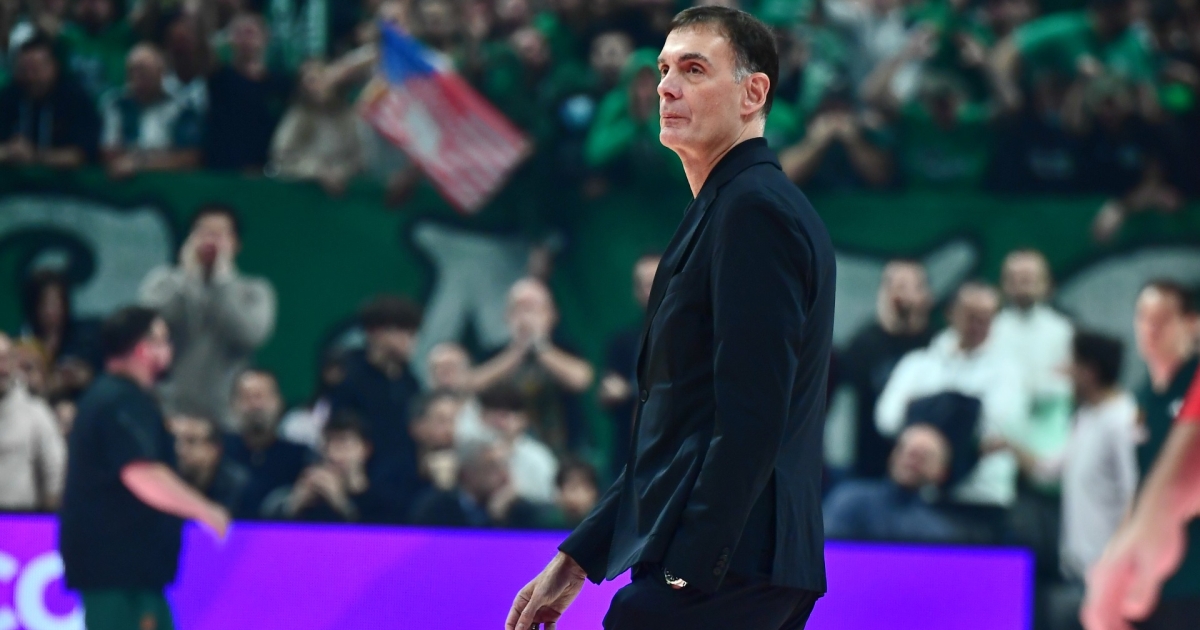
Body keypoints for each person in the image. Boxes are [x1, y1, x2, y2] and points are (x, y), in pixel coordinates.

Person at [507, 8, 835, 629]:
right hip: (739, 564)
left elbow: (753, 414)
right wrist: (580, 558)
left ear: (753, 93)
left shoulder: (754, 210)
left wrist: (689, 569)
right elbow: (680, 429)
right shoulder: (728, 206)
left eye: (693, 69)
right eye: (663, 69)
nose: (665, 86)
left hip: (728, 562)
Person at [58, 306, 230, 630]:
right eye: (161, 340)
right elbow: (140, 472)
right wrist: (204, 509)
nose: (169, 349)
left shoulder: (116, 398)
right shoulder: (119, 400)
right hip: (118, 572)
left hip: (131, 573)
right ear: (142, 348)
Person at [992, 332, 1138, 630]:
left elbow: (1134, 495)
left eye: (1072, 364)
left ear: (1089, 371)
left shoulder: (1122, 421)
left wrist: (1116, 561)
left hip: (1108, 577)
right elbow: (1047, 470)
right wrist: (1008, 446)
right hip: (1075, 571)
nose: (1065, 372)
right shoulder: (1085, 417)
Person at [1082, 282, 1200, 630]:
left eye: (1163, 318)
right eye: (1144, 318)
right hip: (1152, 575)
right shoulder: (1141, 400)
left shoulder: (1192, 384)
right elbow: (1141, 487)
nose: (1151, 328)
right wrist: (1116, 551)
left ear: (1191, 323)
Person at [876, 282, 1027, 514]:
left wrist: (923, 408)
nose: (978, 326)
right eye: (972, 316)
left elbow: (999, 431)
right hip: (917, 496)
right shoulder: (918, 364)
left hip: (982, 497)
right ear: (951, 313)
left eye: (987, 318)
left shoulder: (1008, 371)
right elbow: (887, 419)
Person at [139, 205, 277, 428]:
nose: (211, 241)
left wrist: (222, 282)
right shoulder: (163, 283)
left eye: (220, 234)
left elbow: (251, 335)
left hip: (226, 416)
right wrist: (187, 276)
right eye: (203, 232)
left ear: (236, 243)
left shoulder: (254, 291)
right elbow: (149, 325)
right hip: (169, 411)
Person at [834, 259, 933, 479]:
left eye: (911, 286)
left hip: (923, 478)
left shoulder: (938, 346)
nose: (902, 296)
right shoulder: (863, 344)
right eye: (895, 286)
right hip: (869, 469)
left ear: (927, 295)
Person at [472, 278, 594, 457]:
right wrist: (517, 350)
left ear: (551, 315)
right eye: (519, 309)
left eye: (533, 308)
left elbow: (581, 380)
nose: (526, 316)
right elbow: (474, 385)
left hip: (567, 448)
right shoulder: (493, 354)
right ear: (507, 316)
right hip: (508, 453)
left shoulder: (567, 348)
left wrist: (541, 347)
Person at [328, 295, 423, 497]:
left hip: (405, 484)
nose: (409, 340)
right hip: (362, 484)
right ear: (375, 333)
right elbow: (339, 428)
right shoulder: (349, 378)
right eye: (403, 331)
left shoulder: (410, 382)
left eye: (412, 333)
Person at [823, 423, 973, 542]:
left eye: (924, 456)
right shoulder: (850, 500)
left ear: (942, 471)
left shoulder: (940, 532)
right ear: (892, 455)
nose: (912, 461)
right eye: (907, 451)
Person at [100, 43, 204, 178]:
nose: (137, 76)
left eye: (144, 71)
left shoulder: (182, 106)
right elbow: (109, 153)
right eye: (132, 71)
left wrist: (141, 164)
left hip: (170, 183)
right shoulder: (116, 104)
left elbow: (190, 157)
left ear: (160, 72)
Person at [205, 13, 294, 172]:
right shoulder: (218, 78)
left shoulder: (281, 83)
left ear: (265, 37)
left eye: (250, 33)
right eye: (239, 34)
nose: (246, 40)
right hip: (226, 171)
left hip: (269, 172)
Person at [224, 368, 316, 518]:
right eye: (247, 397)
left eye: (262, 397)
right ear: (233, 404)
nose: (255, 405)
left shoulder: (301, 458)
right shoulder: (220, 453)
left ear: (279, 402)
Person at [598, 253, 659, 479]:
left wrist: (630, 390)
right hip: (631, 455)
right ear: (636, 292)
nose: (654, 289)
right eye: (647, 284)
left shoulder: (698, 333)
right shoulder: (622, 342)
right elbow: (606, 394)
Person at [270, 411, 391, 523]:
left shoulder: (381, 501)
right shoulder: (314, 500)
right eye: (328, 443)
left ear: (365, 449)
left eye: (343, 443)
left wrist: (341, 504)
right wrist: (293, 506)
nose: (333, 454)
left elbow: (376, 534)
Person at [0, 35, 101, 168]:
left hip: (63, 180)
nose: (30, 77)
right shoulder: (10, 96)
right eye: (24, 70)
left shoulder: (74, 98)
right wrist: (9, 151)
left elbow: (80, 154)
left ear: (53, 67)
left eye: (35, 70)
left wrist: (35, 155)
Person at [409, 437, 544, 528]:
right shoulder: (435, 509)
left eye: (504, 465)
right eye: (493, 467)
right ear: (467, 472)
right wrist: (492, 519)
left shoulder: (519, 511)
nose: (504, 475)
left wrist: (499, 517)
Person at [0, 332, 66, 511]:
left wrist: (45, 521)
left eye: (5, 359)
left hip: (19, 521)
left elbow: (56, 475)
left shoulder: (36, 413)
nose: (2, 368)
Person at [480, 381, 559, 505]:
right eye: (491, 415)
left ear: (523, 419)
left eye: (504, 416)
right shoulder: (475, 454)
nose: (498, 423)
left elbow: (551, 498)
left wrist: (513, 493)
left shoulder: (537, 456)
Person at [169, 410, 250, 514]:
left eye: (191, 441)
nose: (180, 450)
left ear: (214, 449)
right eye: (175, 440)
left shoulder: (239, 487)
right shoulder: (166, 477)